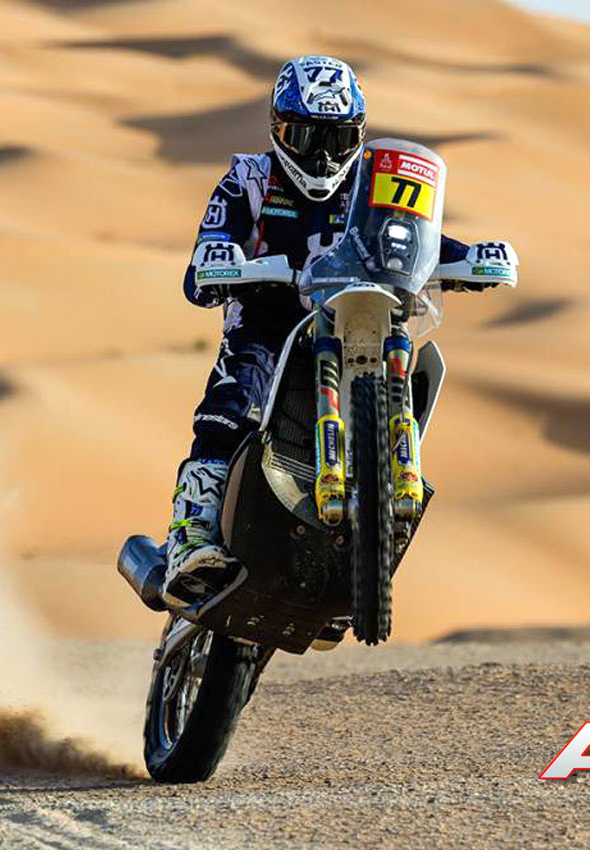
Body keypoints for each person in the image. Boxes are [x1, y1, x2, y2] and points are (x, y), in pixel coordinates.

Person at [163, 55, 503, 606]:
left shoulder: (375, 182)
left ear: (358, 135)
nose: (322, 156)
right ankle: (192, 534)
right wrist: (220, 257)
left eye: (337, 138)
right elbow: (206, 257)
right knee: (232, 401)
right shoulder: (249, 179)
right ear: (278, 130)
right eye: (305, 137)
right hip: (269, 320)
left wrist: (470, 256)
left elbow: (416, 236)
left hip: (356, 319)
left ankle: (368, 528)